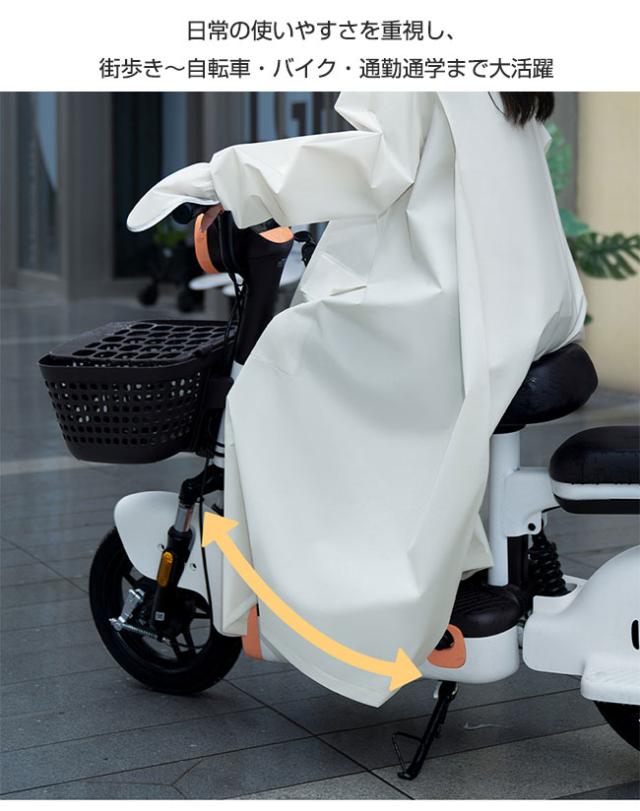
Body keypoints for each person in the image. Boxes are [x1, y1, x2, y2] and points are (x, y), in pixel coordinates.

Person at [128, 92, 587, 707]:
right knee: (328, 362)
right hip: (524, 298)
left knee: (279, 367)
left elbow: (375, 162)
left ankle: (349, 601)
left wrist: (230, 175)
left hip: (453, 307)